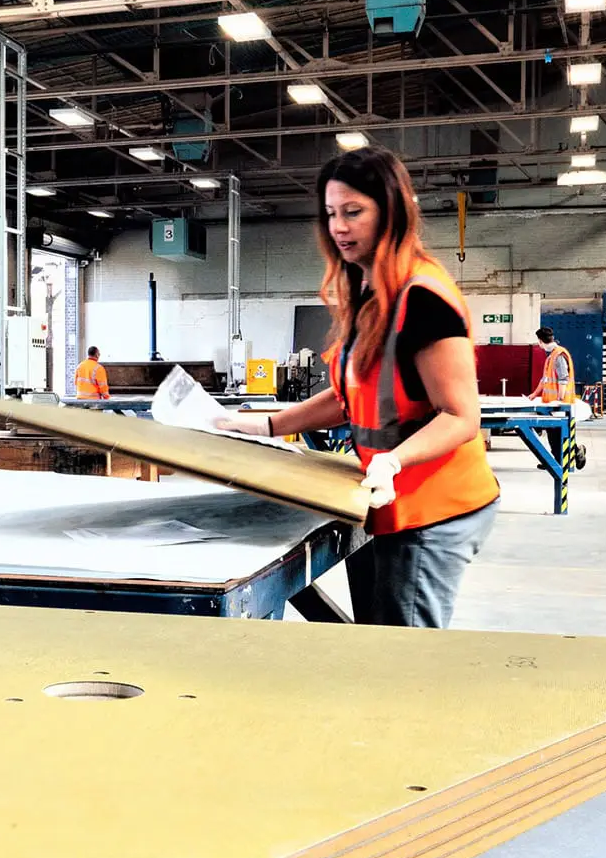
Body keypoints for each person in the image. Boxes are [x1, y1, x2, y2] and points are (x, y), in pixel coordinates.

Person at [214, 146, 500, 628]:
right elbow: (352, 397)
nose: (339, 228)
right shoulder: (371, 292)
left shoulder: (423, 299)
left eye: (353, 212)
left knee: (401, 658)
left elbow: (460, 415)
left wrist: (393, 460)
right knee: (374, 642)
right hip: (383, 499)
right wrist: (262, 424)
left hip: (432, 506)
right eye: (330, 214)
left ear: (391, 212)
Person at [529, 327, 576, 403]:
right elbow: (545, 379)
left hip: (559, 406)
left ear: (540, 341)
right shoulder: (552, 356)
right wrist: (535, 394)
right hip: (551, 404)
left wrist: (559, 401)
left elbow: (563, 379)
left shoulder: (558, 355)